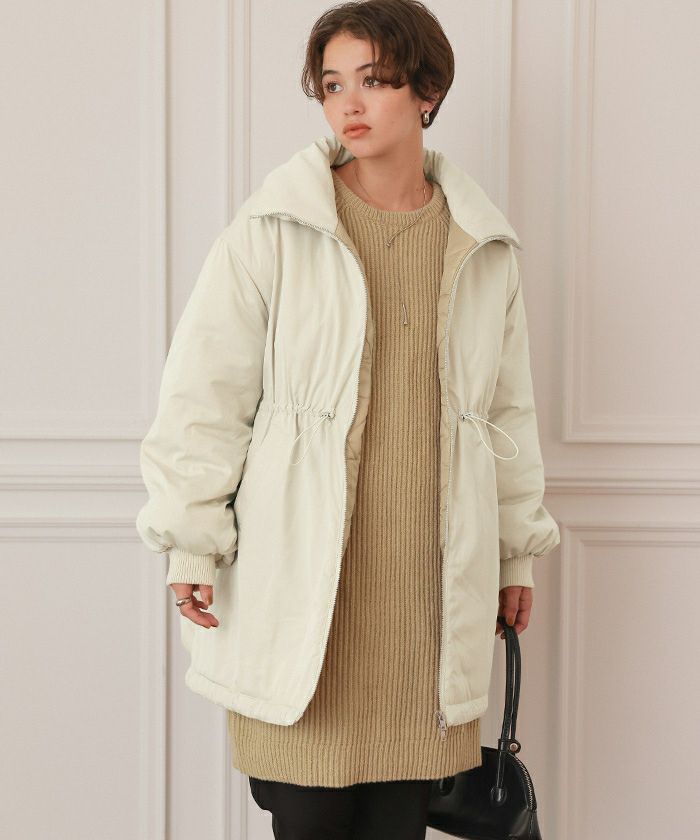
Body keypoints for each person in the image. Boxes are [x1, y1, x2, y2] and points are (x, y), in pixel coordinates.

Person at [135, 0, 561, 837]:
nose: (350, 104)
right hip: (302, 595)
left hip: (425, 603)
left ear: (427, 92)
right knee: (309, 820)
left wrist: (517, 550)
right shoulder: (276, 230)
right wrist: (190, 536)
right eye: (332, 85)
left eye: (374, 80)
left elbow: (506, 415)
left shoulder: (481, 245)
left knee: (398, 825)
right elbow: (204, 396)